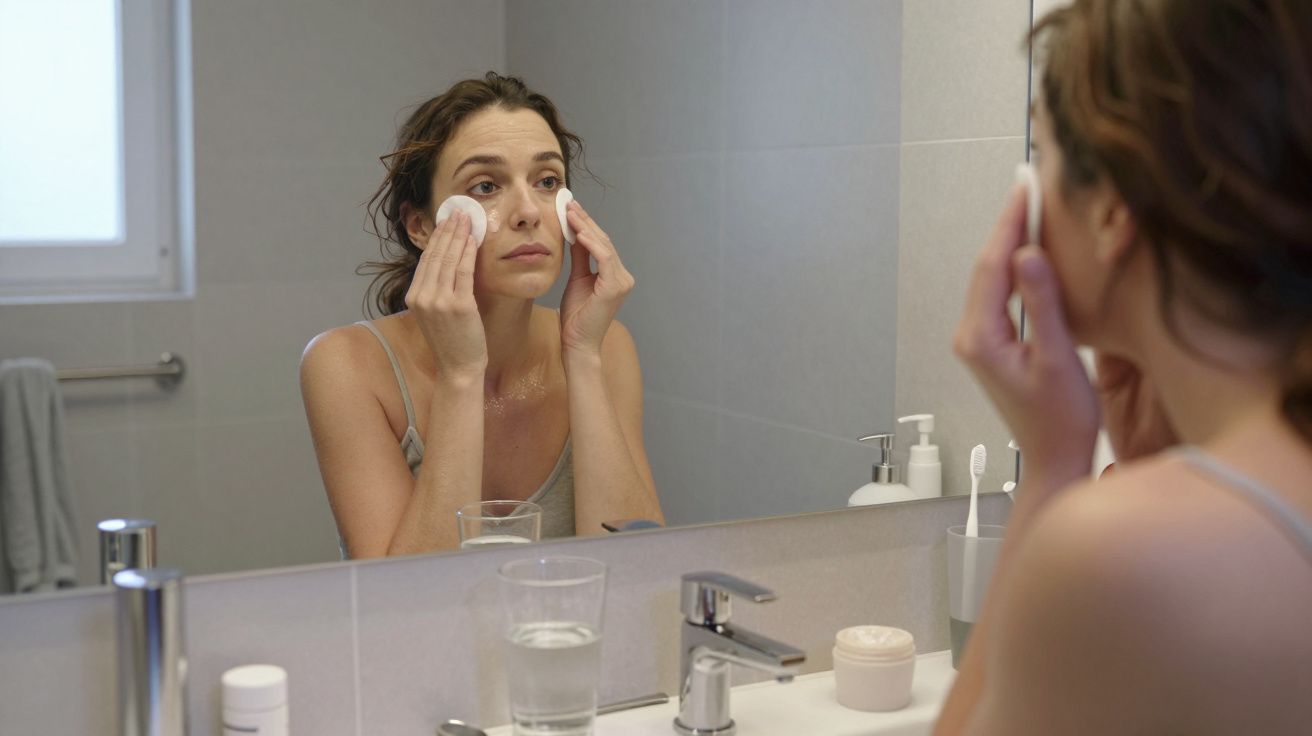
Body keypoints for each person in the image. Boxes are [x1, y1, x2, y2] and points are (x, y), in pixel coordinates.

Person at [937, 1, 1312, 733]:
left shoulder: (1119, 562)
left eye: (1038, 155)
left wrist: (1053, 467)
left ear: (1111, 210)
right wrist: (1169, 468)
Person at [300, 73, 663, 558]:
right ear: (422, 226)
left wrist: (582, 355)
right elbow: (406, 597)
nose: (528, 212)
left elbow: (637, 567)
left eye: (547, 181)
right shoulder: (345, 366)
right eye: (486, 186)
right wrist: (461, 374)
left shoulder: (606, 345)